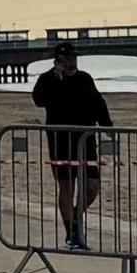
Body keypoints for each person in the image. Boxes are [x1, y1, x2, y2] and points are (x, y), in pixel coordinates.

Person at [30, 40, 113, 248]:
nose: (71, 61)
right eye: (67, 58)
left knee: (92, 186)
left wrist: (107, 125)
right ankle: (72, 232)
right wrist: (54, 77)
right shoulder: (47, 80)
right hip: (61, 141)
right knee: (66, 186)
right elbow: (39, 100)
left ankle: (75, 216)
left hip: (86, 140)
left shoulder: (85, 79)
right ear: (58, 60)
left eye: (74, 57)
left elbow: (98, 102)